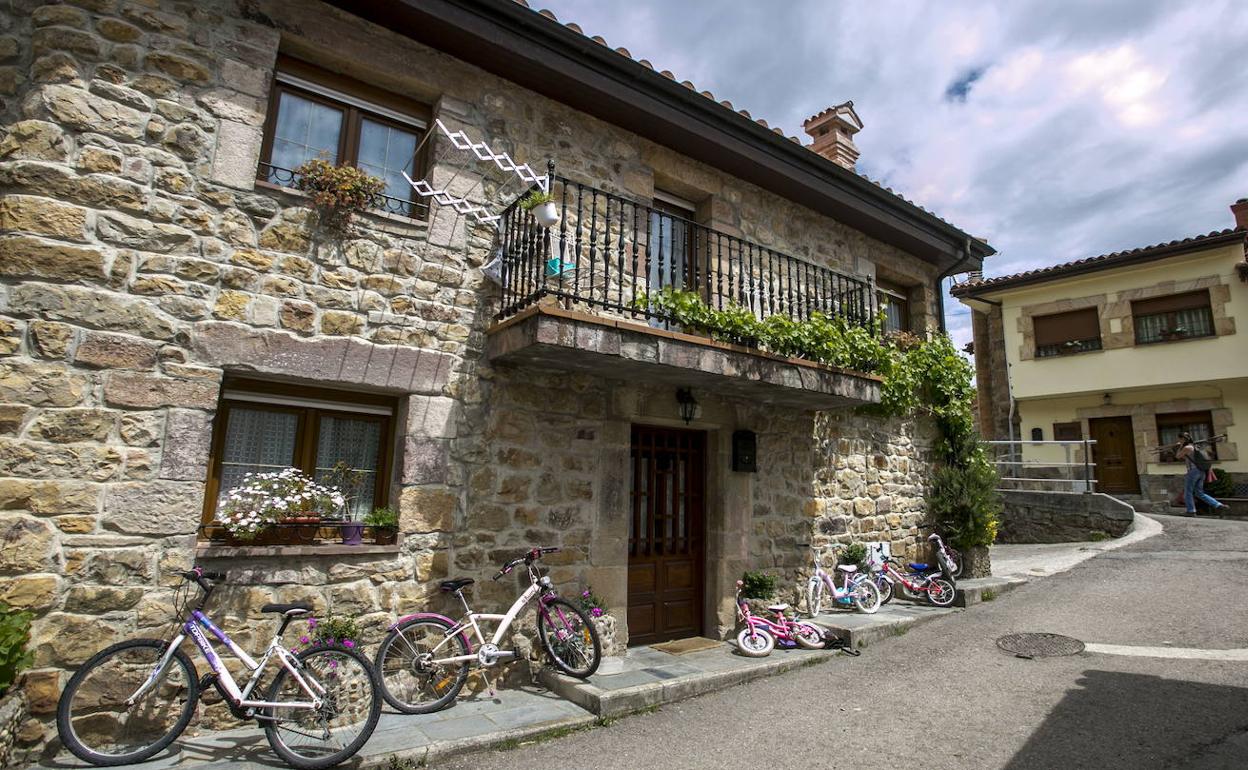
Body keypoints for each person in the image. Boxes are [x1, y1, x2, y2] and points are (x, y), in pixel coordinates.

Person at [1175, 432, 1229, 515]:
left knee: (1188, 492)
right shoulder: (1196, 447)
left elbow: (1178, 456)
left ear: (1182, 439)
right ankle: (1219, 505)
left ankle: (1191, 511)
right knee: (1199, 493)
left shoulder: (1187, 448)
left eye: (1180, 439)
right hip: (1201, 471)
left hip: (1193, 472)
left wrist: (1180, 446)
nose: (1179, 440)